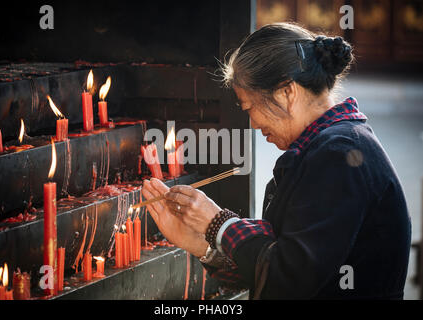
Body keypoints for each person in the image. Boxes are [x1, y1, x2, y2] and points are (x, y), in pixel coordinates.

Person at [141, 23, 411, 299]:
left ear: (287, 92)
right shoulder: (326, 146)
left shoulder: (339, 153)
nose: (253, 123)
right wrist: (200, 244)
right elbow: (272, 268)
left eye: (250, 107)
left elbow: (289, 282)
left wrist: (217, 223)